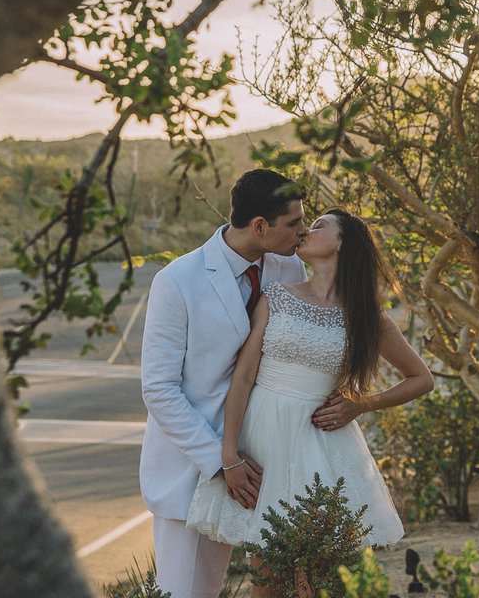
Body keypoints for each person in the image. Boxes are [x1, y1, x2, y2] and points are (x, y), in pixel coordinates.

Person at [184, 208, 434, 596]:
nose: (305, 231)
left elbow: (421, 379)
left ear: (342, 243)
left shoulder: (367, 317)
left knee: (312, 584)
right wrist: (229, 453)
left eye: (318, 226)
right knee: (266, 581)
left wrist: (361, 403)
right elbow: (244, 378)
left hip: (320, 448)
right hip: (263, 445)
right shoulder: (277, 297)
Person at [139, 169, 310, 598]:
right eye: (294, 223)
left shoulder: (291, 269)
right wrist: (221, 460)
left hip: (269, 460)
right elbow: (158, 388)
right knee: (186, 593)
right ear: (259, 227)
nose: (303, 232)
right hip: (195, 467)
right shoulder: (178, 280)